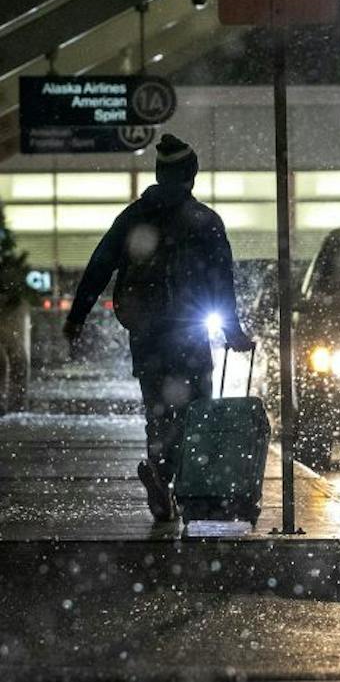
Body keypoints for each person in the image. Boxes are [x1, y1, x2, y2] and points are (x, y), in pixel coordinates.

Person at [64, 134, 252, 522]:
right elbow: (221, 282)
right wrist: (232, 332)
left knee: (158, 409)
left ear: (159, 172)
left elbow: (100, 265)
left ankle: (159, 472)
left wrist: (76, 317)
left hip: (146, 334)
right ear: (191, 175)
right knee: (195, 409)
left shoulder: (134, 217)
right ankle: (177, 482)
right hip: (190, 333)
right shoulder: (204, 221)